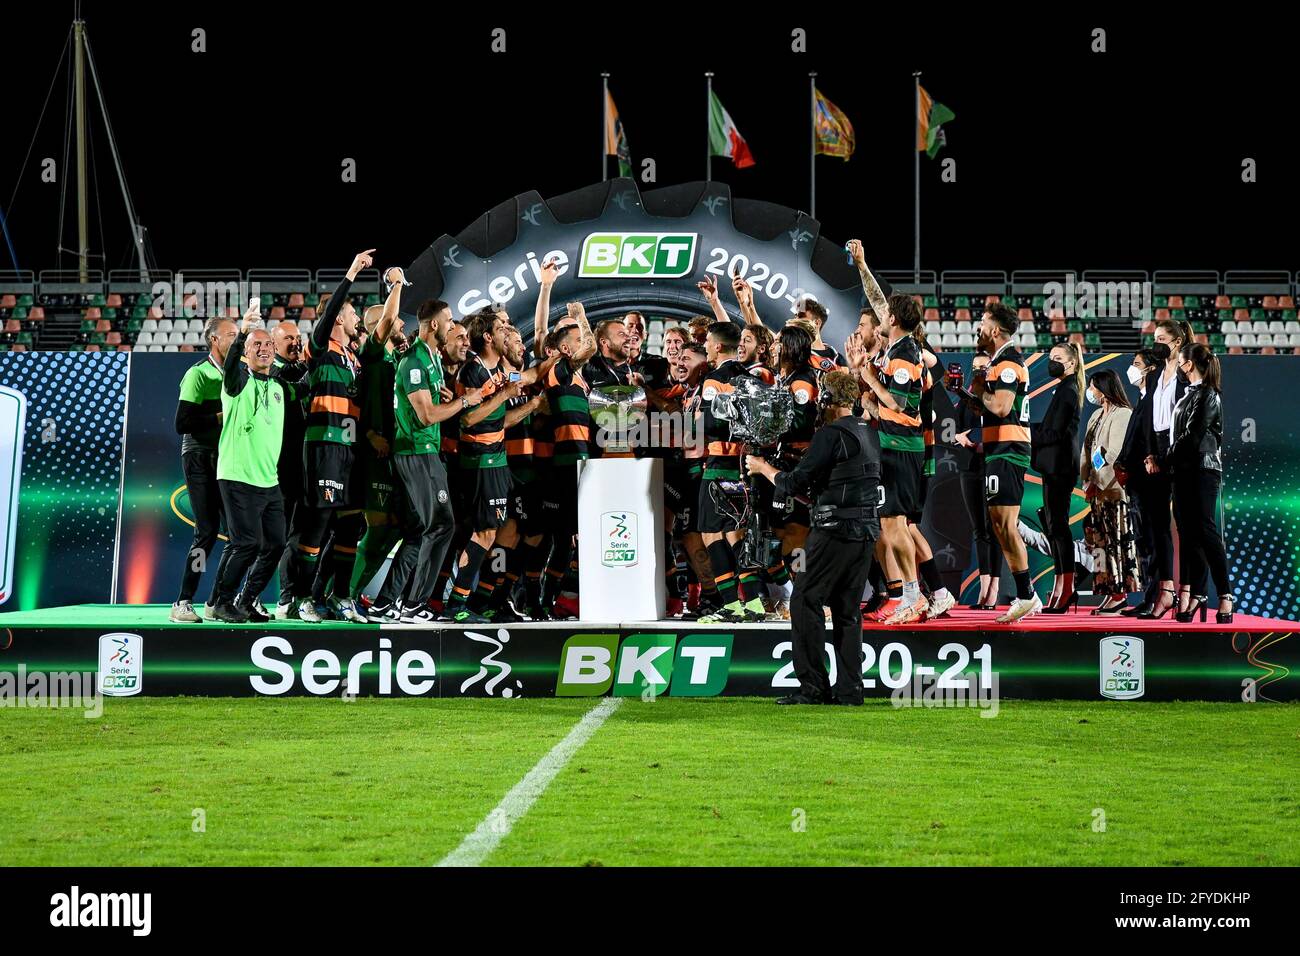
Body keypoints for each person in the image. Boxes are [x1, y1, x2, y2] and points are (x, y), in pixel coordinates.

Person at [746, 371, 880, 705]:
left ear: (829, 400)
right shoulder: (869, 432)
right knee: (848, 610)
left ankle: (813, 687)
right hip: (865, 532)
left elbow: (793, 484)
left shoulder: (830, 434)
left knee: (805, 600)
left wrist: (763, 467)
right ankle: (850, 690)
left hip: (833, 531)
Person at [368, 301, 482, 624]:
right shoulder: (415, 360)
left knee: (421, 530)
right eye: (447, 321)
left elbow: (429, 403)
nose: (451, 326)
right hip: (417, 453)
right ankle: (415, 605)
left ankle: (386, 602)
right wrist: (463, 401)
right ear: (434, 325)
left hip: (424, 452)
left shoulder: (430, 358)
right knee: (442, 525)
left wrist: (442, 395)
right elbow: (426, 415)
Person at [284, 249, 376, 624]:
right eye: (352, 312)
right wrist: (352, 272)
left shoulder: (354, 357)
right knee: (317, 524)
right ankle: (302, 598)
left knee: (351, 525)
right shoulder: (319, 349)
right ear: (338, 316)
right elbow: (326, 318)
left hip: (352, 451)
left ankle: (341, 598)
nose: (356, 318)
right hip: (324, 447)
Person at [846, 238, 928, 624]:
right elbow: (878, 299)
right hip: (894, 445)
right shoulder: (898, 345)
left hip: (901, 446)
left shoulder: (905, 356)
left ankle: (915, 597)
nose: (879, 316)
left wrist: (866, 378)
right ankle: (915, 596)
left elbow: (897, 404)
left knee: (895, 526)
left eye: (884, 314)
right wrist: (863, 265)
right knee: (890, 525)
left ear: (893, 321)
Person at [210, 307, 307, 623]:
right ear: (246, 353)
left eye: (268, 345)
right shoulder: (236, 382)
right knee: (246, 543)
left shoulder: (278, 388)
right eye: (256, 345)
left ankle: (246, 599)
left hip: (269, 480)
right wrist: (242, 333)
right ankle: (222, 603)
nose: (263, 349)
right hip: (237, 476)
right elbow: (230, 364)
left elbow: (306, 382)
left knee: (276, 544)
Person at [972, 303, 1041, 623]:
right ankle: (1030, 596)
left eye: (983, 323)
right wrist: (975, 394)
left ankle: (1026, 594)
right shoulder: (999, 362)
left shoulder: (1009, 363)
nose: (978, 327)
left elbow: (1000, 407)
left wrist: (981, 393)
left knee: (1004, 524)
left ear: (996, 330)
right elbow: (993, 408)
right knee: (1000, 524)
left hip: (1009, 448)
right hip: (1000, 448)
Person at [170, 315, 238, 622]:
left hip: (228, 459)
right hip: (200, 457)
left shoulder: (237, 374)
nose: (237, 340)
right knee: (208, 532)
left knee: (242, 534)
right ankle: (183, 601)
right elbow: (182, 423)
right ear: (214, 339)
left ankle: (218, 601)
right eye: (231, 335)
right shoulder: (198, 374)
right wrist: (219, 417)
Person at [696, 320, 764, 622]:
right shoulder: (750, 378)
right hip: (744, 468)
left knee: (711, 534)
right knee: (735, 534)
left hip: (718, 468)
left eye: (708, 342)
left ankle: (730, 606)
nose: (705, 347)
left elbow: (711, 424)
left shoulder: (714, 380)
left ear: (719, 346)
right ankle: (755, 602)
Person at [1132, 318, 1193, 619]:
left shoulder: (1186, 372)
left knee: (1185, 524)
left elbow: (1189, 418)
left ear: (1177, 342)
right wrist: (1150, 454)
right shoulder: (1155, 375)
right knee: (1157, 525)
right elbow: (1147, 419)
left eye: (1160, 338)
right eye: (1153, 337)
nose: (1155, 342)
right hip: (1155, 452)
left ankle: (1190, 590)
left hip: (1180, 450)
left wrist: (1172, 453)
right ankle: (1165, 589)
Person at [1169, 344, 1233, 623]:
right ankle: (1198, 593)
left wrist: (1163, 457)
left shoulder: (1208, 395)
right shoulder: (1190, 395)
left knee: (1206, 531)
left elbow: (1193, 436)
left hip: (1202, 470)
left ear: (1190, 364)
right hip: (1182, 471)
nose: (1178, 368)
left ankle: (1225, 595)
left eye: (1181, 363)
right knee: (1189, 534)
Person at [1079, 369, 1138, 614]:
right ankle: (1107, 591)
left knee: (1116, 542)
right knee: (1099, 545)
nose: (1090, 392)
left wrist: (1099, 481)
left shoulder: (1123, 415)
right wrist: (1086, 481)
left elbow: (1114, 454)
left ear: (1103, 389)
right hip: (1096, 492)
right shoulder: (1095, 415)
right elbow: (1087, 450)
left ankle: (1120, 594)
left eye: (1092, 387)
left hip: (1113, 492)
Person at [1032, 342, 1083, 612]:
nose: (1052, 361)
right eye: (1050, 357)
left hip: (1060, 468)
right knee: (1053, 527)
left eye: (1058, 358)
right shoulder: (1063, 389)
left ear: (1072, 363)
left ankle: (1067, 588)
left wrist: (1026, 434)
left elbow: (1055, 434)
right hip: (1054, 467)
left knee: (1059, 528)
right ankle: (1061, 586)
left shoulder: (1068, 391)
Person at [1114, 347, 1162, 615]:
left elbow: (1147, 442)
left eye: (1136, 363)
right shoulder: (1142, 399)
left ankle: (1156, 596)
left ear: (1150, 369)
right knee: (1143, 541)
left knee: (1151, 540)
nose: (1131, 368)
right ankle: (1148, 595)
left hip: (1147, 480)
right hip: (1135, 481)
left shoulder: (1153, 400)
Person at [952, 352, 1001, 608]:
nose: (979, 371)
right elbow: (951, 429)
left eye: (984, 367)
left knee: (995, 528)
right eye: (975, 368)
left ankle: (994, 588)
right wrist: (961, 437)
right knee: (979, 529)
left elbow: (1004, 427)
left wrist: (979, 436)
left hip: (993, 465)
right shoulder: (965, 397)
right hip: (969, 466)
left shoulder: (999, 397)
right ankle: (984, 590)